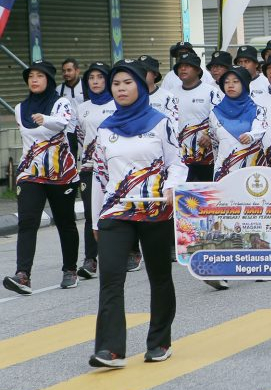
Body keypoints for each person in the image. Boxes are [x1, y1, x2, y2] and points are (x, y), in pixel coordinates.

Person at [87, 60, 187, 368]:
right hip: (116, 212)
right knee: (111, 279)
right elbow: (100, 177)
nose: (120, 88)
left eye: (127, 83)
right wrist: (95, 221)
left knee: (159, 276)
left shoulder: (161, 122)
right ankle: (110, 350)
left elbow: (177, 163)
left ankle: (159, 341)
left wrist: (172, 189)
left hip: (154, 209)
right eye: (116, 84)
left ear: (140, 87)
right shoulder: (105, 129)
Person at [3, 62, 80, 295]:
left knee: (65, 222)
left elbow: (62, 123)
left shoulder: (61, 102)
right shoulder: (20, 108)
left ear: (48, 79)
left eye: (39, 76)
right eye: (30, 76)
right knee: (27, 222)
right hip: (31, 174)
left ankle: (70, 270)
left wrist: (45, 119)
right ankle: (23, 275)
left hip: (61, 174)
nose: (34, 80)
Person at [75, 62, 117, 280]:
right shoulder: (82, 108)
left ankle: (130, 251)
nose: (96, 81)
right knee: (93, 212)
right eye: (91, 78)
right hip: (89, 167)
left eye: (100, 77)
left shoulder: (118, 104)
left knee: (118, 210)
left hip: (116, 167)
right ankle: (90, 260)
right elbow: (81, 137)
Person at [210, 68, 267, 181]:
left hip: (252, 170)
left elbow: (261, 129)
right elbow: (214, 143)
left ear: (244, 84)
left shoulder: (257, 109)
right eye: (226, 82)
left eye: (235, 81)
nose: (230, 85)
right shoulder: (215, 112)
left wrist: (251, 135)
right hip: (223, 170)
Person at [174, 53, 220, 182]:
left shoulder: (211, 91)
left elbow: (219, 118)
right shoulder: (171, 93)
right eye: (180, 66)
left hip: (206, 155)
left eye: (187, 66)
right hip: (180, 157)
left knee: (207, 196)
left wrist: (210, 135)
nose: (183, 69)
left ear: (198, 70)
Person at [56, 58, 84, 156]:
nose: (66, 73)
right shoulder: (59, 90)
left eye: (69, 70)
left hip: (84, 129)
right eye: (64, 71)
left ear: (77, 71)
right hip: (68, 131)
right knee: (70, 159)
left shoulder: (86, 86)